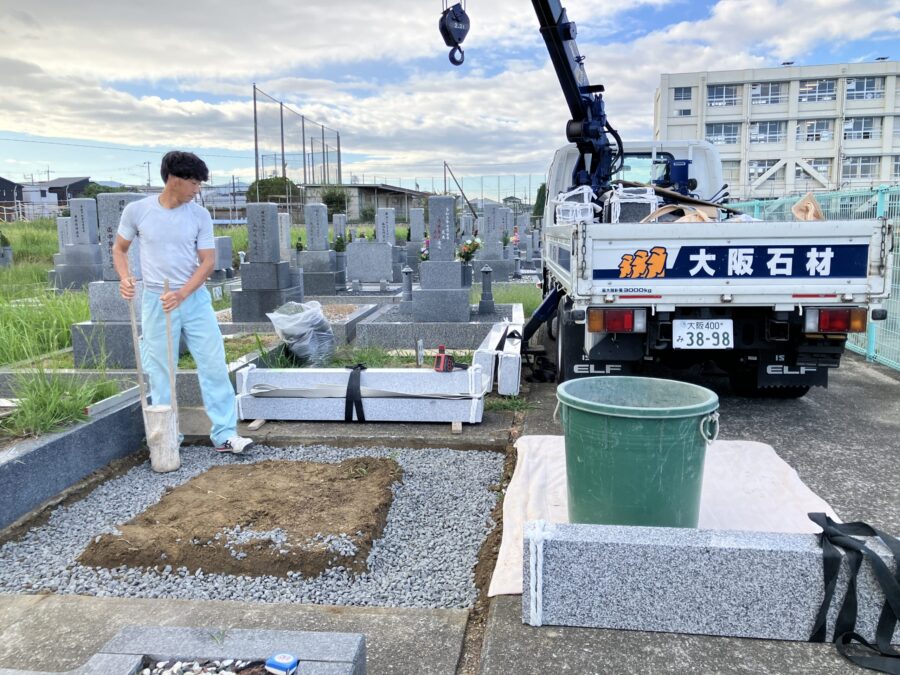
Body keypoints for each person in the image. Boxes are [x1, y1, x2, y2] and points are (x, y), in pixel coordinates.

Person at [113, 151, 254, 454]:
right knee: (161, 369)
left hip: (193, 299)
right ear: (175, 180)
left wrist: (183, 294)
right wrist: (126, 278)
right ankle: (167, 440)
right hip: (156, 299)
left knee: (213, 364)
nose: (198, 188)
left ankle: (225, 434)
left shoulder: (199, 215)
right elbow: (120, 249)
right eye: (194, 182)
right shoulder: (138, 211)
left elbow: (207, 261)